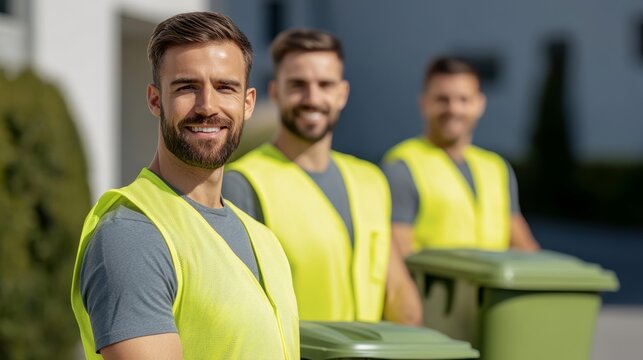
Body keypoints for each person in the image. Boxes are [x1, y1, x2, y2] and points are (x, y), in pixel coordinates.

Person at [70, 12, 299, 360]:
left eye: (225, 87)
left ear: (247, 102)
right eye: (187, 87)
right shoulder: (133, 235)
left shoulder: (262, 239)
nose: (207, 107)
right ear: (155, 100)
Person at [223, 29, 422, 325]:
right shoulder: (244, 183)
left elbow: (395, 290)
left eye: (325, 85)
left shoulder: (371, 180)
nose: (313, 98)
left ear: (342, 94)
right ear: (276, 92)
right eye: (298, 85)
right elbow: (238, 309)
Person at [382, 56, 540, 257]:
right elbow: (399, 256)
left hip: (492, 287)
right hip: (433, 288)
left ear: (480, 104)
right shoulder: (402, 167)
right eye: (442, 99)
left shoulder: (497, 168)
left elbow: (525, 247)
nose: (453, 109)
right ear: (424, 103)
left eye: (464, 99)